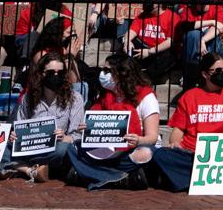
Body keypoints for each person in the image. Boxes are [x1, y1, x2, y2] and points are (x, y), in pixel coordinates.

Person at [151, 53, 223, 192]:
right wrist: (175, 144)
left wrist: (222, 152)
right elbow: (177, 132)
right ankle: (206, 179)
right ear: (205, 74)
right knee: (160, 154)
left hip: (219, 156)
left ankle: (188, 180)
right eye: (217, 71)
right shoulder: (189, 96)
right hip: (192, 154)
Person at [66, 54, 160, 191]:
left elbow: (152, 137)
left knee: (145, 154)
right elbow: (96, 122)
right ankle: (120, 179)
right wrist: (88, 129)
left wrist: (138, 140)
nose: (102, 74)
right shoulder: (105, 96)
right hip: (107, 150)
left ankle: (89, 173)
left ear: (122, 73)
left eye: (107, 71)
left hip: (133, 148)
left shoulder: (146, 97)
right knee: (72, 148)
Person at [0, 51, 84, 182]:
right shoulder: (28, 98)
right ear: (41, 74)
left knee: (64, 149)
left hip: (54, 148)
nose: (56, 76)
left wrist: (64, 137)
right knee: (1, 144)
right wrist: (14, 137)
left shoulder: (75, 98)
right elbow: (20, 128)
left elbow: (77, 136)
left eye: (60, 73)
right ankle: (31, 170)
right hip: (29, 148)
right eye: (51, 73)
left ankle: (15, 167)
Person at [178, 0, 223, 88]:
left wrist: (203, 40)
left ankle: (211, 75)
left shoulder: (216, 6)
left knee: (211, 37)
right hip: (193, 48)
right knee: (193, 34)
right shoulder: (189, 8)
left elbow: (219, 27)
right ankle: (192, 76)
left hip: (211, 46)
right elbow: (186, 25)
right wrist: (211, 22)